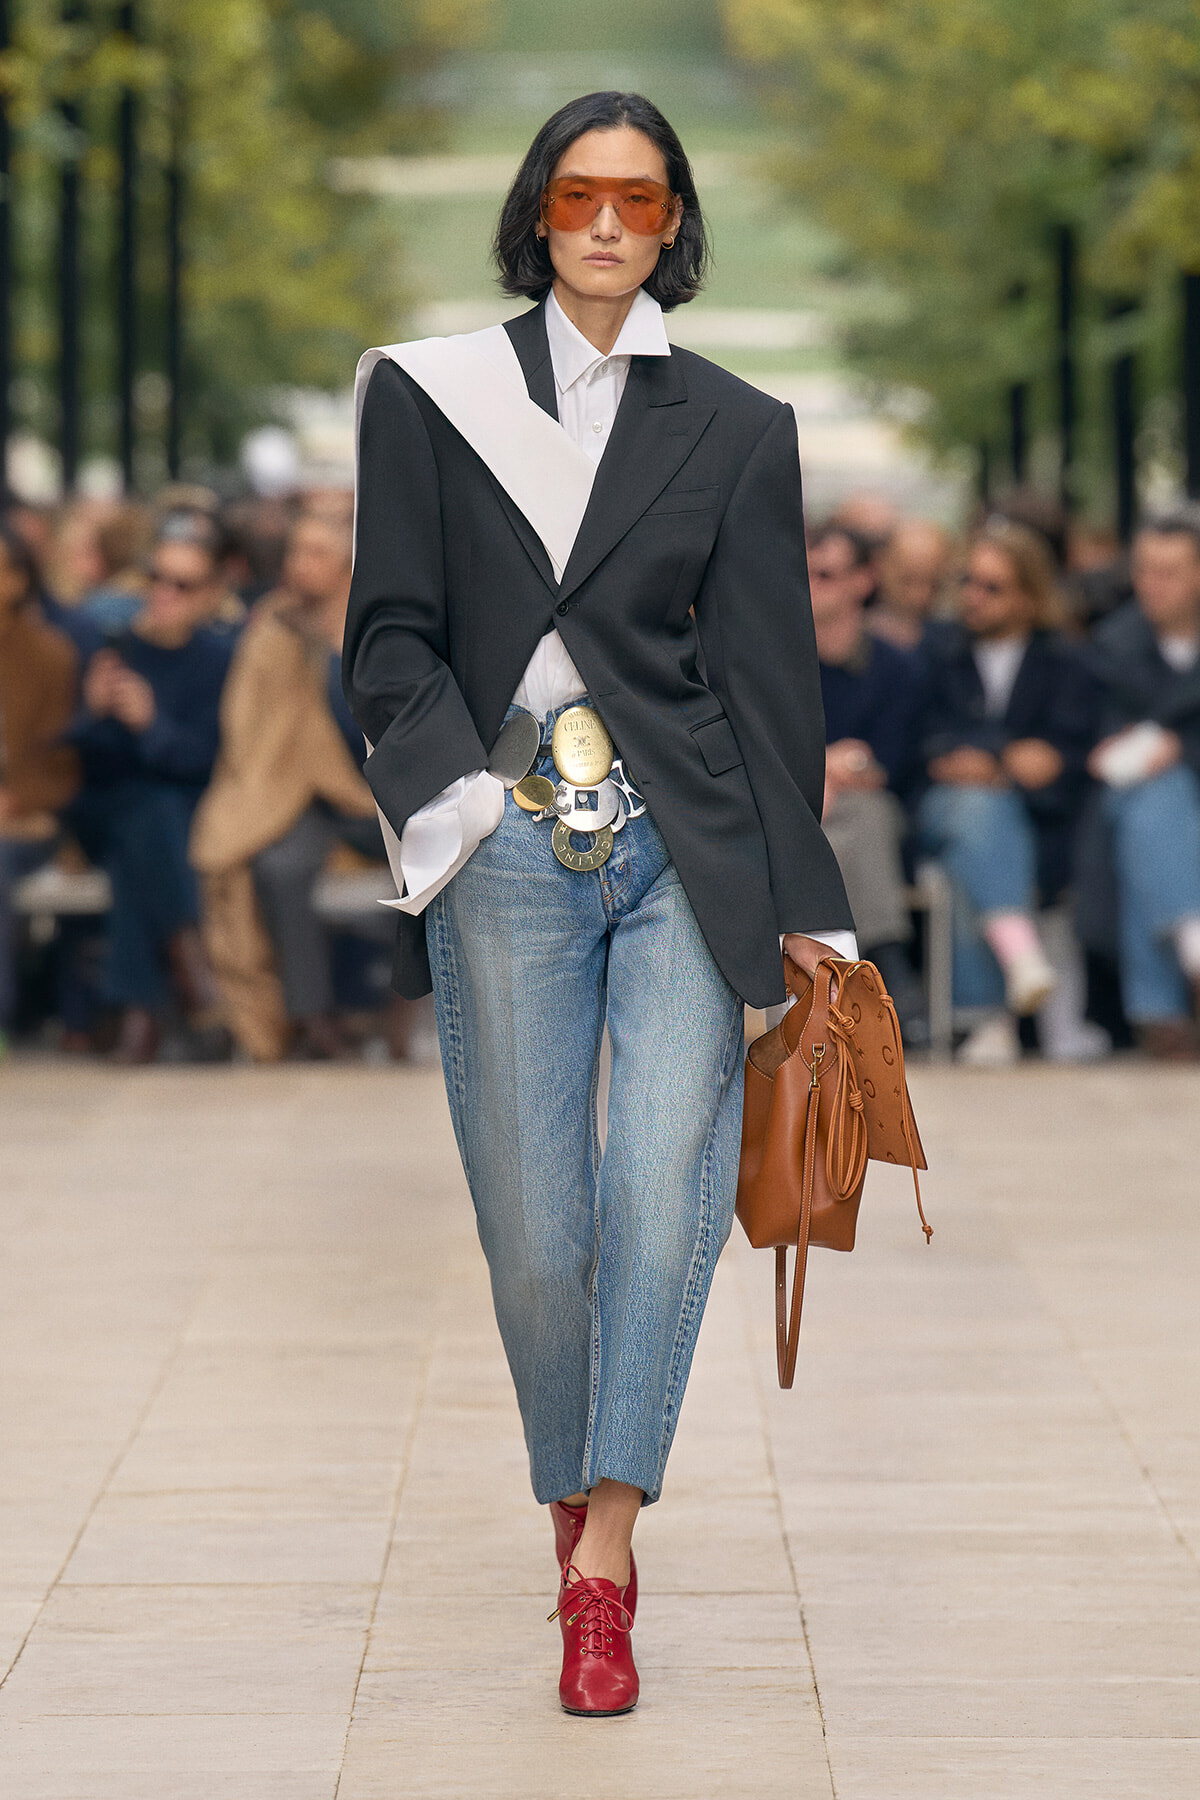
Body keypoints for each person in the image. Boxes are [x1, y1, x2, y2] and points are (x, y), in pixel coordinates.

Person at [343, 90, 855, 1717]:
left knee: (659, 1194)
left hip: (685, 844)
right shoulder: (428, 396)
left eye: (641, 198)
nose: (611, 223)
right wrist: (444, 802)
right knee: (536, 1233)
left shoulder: (741, 424)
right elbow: (389, 633)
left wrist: (810, 907)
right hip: (501, 835)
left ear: (676, 220)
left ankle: (603, 1561)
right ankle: (574, 1486)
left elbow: (768, 676)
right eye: (581, 196)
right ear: (538, 214)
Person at [191, 512, 385, 1061]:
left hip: (381, 797)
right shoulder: (273, 631)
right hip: (301, 797)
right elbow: (251, 726)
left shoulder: (378, 631)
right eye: (297, 551)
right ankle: (310, 1015)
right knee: (277, 865)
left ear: (348, 564)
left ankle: (385, 1004)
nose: (302, 564)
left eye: (317, 553)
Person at [917, 520, 1095, 1065]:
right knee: (975, 811)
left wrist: (992, 762)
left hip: (1032, 821)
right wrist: (1004, 759)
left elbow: (1065, 756)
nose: (973, 595)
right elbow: (921, 740)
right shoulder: (939, 650)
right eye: (968, 581)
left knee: (972, 853)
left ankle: (989, 1020)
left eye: (991, 587)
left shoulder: (1064, 661)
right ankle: (1020, 959)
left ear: (1029, 597)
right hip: (940, 807)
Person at [67, 518, 235, 1062]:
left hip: (175, 817)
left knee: (142, 837)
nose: (164, 593)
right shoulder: (112, 646)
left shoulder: (218, 659)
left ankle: (140, 1014)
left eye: (182, 584)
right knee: (147, 813)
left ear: (210, 593)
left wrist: (150, 725)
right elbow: (84, 765)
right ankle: (193, 968)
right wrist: (93, 712)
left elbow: (204, 762)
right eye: (156, 578)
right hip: (106, 810)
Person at [1082, 515, 1200, 1058]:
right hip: (1124, 801)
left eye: (1169, 571)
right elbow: (1093, 735)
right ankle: (1192, 944)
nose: (1153, 585)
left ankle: (1158, 1011)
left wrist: (1181, 748)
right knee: (1153, 803)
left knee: (1151, 817)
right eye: (1145, 570)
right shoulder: (1114, 643)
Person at [808, 520, 927, 1037]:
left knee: (864, 818)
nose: (810, 586)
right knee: (839, 829)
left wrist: (827, 771)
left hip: (871, 818)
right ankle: (885, 971)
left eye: (825, 574)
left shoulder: (896, 668)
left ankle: (843, 987)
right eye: (803, 574)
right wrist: (829, 765)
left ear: (863, 580)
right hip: (801, 812)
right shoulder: (775, 663)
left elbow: (891, 766)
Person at [0, 523, 81, 1055]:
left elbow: (60, 763)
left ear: (17, 581)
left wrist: (14, 799)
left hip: (27, 820)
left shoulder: (51, 655)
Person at [869, 518, 953, 652]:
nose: (919, 596)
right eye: (907, 581)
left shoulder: (952, 641)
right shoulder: (852, 635)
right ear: (880, 566)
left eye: (933, 585)